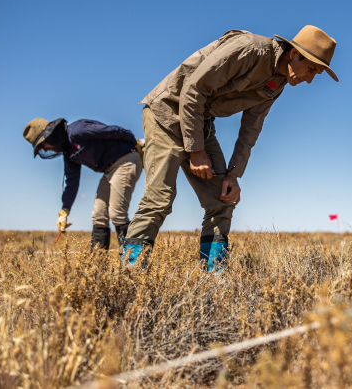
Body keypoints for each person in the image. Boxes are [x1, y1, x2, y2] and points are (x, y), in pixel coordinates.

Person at [123, 26, 338, 271]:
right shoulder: (249, 48)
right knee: (159, 200)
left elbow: (251, 127)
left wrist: (234, 174)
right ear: (295, 54)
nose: (309, 79)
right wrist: (196, 151)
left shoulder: (278, 84)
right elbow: (193, 89)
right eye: (310, 69)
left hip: (200, 123)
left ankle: (214, 277)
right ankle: (131, 275)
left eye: (316, 74)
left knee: (223, 199)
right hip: (167, 113)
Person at [22, 117, 143, 249]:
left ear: (48, 137)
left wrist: (133, 142)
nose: (44, 150)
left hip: (126, 160)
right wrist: (64, 210)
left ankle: (133, 262)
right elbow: (72, 182)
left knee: (117, 213)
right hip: (109, 170)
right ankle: (97, 264)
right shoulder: (69, 153)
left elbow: (113, 131)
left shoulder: (77, 131)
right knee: (98, 216)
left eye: (41, 145)